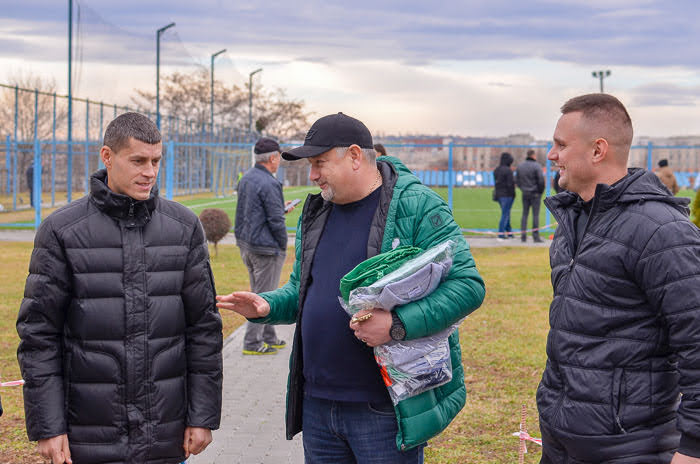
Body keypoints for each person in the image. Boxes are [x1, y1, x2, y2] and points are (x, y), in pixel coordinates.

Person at [217, 112, 485, 463]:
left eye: (319, 163)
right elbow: (302, 289)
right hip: (318, 406)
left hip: (383, 409)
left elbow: (467, 285)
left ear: (355, 156)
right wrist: (267, 305)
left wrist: (396, 324)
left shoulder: (416, 205)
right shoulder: (317, 211)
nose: (312, 175)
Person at [16, 112, 223, 464]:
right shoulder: (62, 231)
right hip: (87, 434)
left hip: (165, 432)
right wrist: (48, 426)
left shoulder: (183, 227)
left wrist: (201, 416)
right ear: (107, 157)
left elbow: (204, 328)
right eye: (138, 161)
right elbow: (38, 336)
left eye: (156, 161)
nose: (150, 172)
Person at [538, 93, 700, 463]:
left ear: (598, 151)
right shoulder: (574, 221)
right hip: (563, 436)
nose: (552, 154)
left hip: (629, 445)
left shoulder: (661, 231)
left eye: (561, 145)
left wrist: (693, 447)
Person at [235, 137, 290, 355]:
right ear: (273, 158)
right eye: (279, 157)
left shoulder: (247, 178)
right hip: (266, 249)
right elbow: (276, 220)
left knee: (263, 293)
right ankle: (252, 342)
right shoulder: (270, 183)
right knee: (262, 297)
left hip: (247, 245)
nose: (279, 161)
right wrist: (283, 243)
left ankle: (269, 336)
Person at [515, 149, 545, 242]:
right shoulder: (537, 166)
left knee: (525, 214)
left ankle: (523, 236)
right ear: (533, 155)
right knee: (535, 215)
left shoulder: (520, 166)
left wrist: (523, 189)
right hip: (535, 194)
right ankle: (535, 237)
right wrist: (540, 191)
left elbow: (517, 180)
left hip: (525, 193)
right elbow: (540, 180)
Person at [493, 152, 515, 241]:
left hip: (499, 195)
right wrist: (513, 194)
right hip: (507, 195)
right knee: (505, 214)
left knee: (506, 213)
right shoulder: (508, 170)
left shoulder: (496, 170)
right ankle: (501, 233)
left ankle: (509, 232)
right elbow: (510, 185)